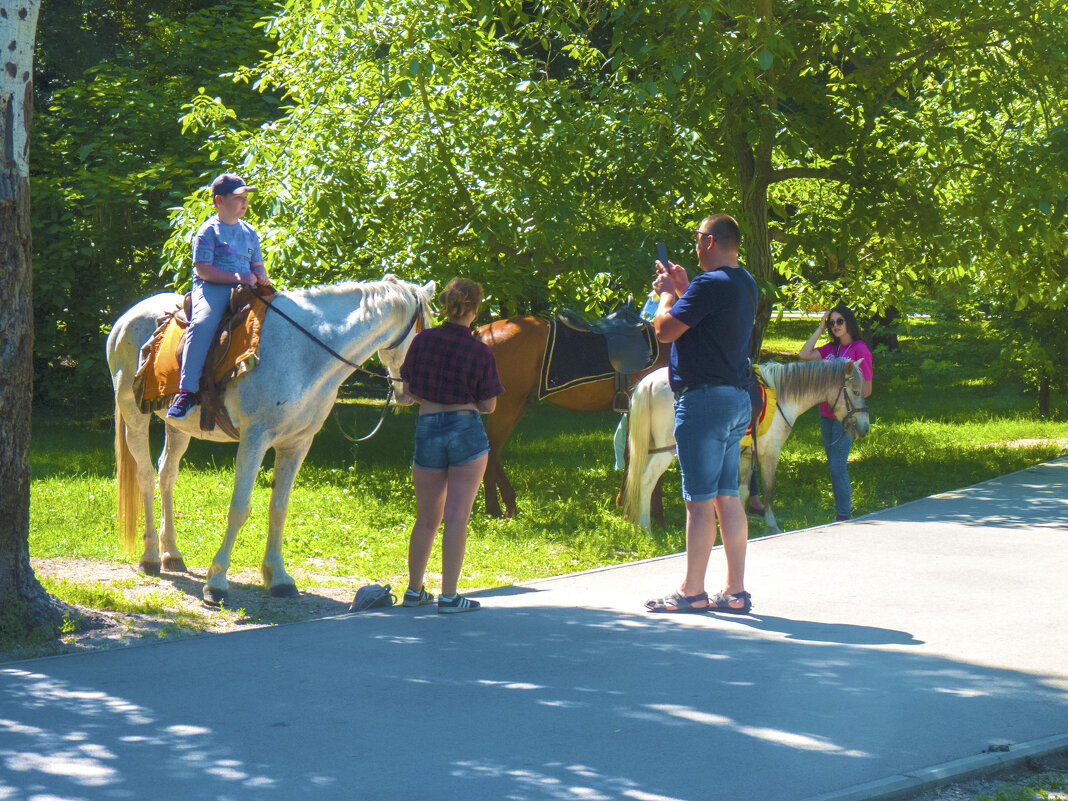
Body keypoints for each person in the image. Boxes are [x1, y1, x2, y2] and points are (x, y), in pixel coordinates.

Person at [645, 214, 758, 614]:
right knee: (728, 496)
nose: (694, 246)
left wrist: (666, 295)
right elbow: (711, 319)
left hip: (702, 403)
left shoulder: (709, 285)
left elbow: (665, 330)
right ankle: (735, 591)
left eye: (696, 239)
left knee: (698, 501)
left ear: (709, 242)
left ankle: (692, 592)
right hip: (735, 399)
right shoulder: (745, 282)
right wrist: (685, 286)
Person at [399, 278, 504, 614]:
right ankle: (448, 597)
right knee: (457, 517)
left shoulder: (422, 341)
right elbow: (489, 406)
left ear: (444, 304)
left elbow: (409, 388)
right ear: (474, 309)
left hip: (427, 427)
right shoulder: (480, 351)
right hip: (466, 430)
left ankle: (414, 591)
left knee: (426, 518)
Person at [167, 173, 271, 420]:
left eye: (246, 198)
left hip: (246, 288)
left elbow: (257, 263)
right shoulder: (207, 231)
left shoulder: (250, 231)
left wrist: (261, 276)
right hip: (212, 288)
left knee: (278, 316)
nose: (244, 203)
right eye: (238, 198)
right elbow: (204, 269)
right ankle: (187, 391)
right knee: (202, 324)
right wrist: (238, 277)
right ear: (219, 201)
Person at [798, 302, 874, 521]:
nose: (835, 326)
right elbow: (804, 354)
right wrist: (820, 328)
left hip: (846, 416)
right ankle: (841, 513)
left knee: (837, 465)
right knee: (833, 466)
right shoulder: (831, 349)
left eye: (840, 321)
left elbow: (867, 390)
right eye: (832, 323)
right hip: (826, 414)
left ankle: (843, 516)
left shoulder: (860, 349)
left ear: (849, 322)